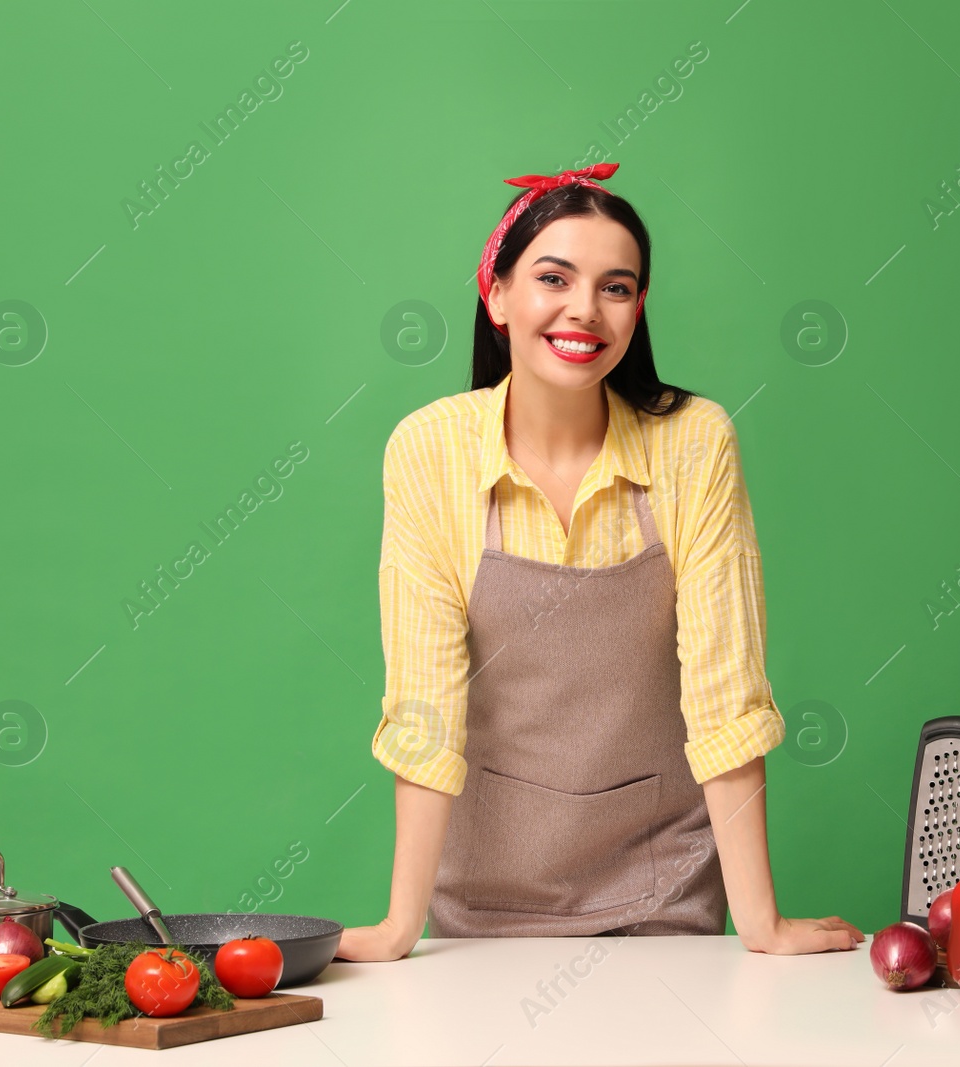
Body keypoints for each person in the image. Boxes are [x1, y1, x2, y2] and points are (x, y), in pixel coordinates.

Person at [336, 163, 862, 961]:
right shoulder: (429, 448)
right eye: (554, 277)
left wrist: (761, 922)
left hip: (663, 894)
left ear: (639, 307)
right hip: (483, 905)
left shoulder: (694, 440)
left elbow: (726, 693)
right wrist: (397, 927)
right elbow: (426, 709)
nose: (585, 308)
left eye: (617, 287)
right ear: (497, 293)